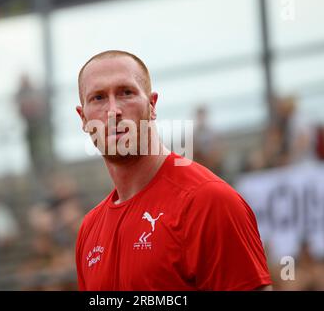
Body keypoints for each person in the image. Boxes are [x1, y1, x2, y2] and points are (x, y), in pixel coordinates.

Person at [74, 50, 272, 291]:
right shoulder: (89, 229)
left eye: (126, 93)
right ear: (83, 118)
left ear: (152, 105)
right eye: (98, 98)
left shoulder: (208, 202)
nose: (113, 110)